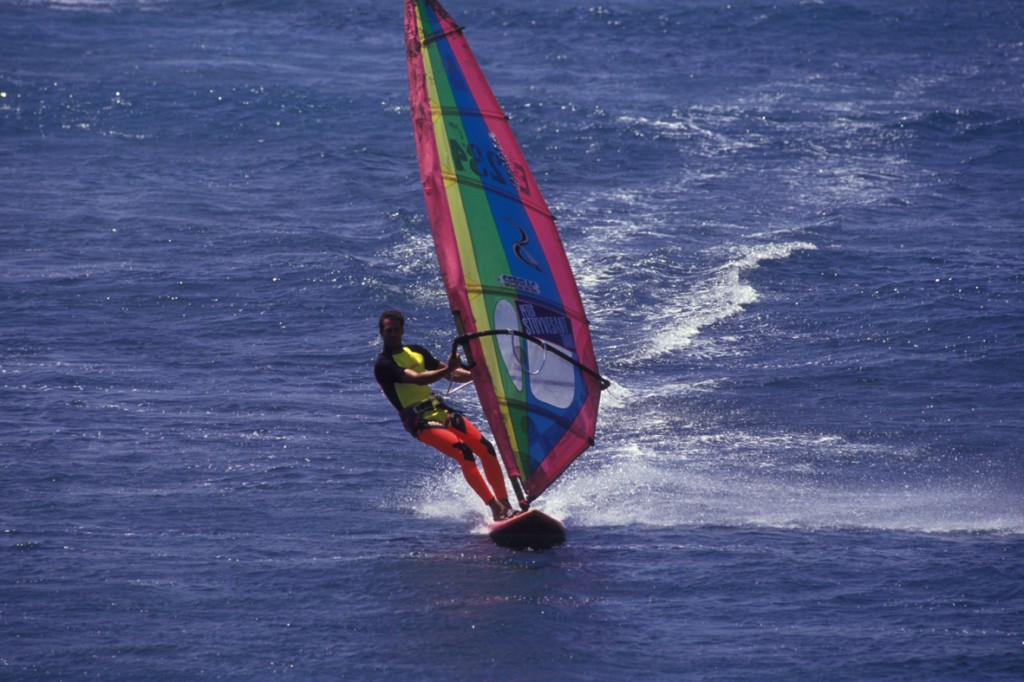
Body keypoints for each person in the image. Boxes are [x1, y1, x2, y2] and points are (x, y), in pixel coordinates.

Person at [373, 309, 517, 521]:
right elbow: (419, 379)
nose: (393, 334)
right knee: (463, 452)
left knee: (486, 448)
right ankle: (495, 509)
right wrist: (448, 368)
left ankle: (506, 505)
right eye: (388, 330)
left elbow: (452, 374)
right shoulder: (384, 365)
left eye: (396, 329)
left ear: (403, 330)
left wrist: (478, 376)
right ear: (381, 333)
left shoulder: (416, 351)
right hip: (419, 421)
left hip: (440, 410)